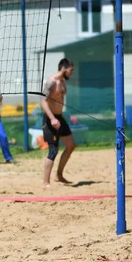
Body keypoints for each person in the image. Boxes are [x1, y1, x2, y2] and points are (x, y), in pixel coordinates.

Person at [41, 58, 75, 188]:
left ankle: (59, 175)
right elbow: (43, 101)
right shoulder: (51, 82)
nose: (71, 73)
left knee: (71, 145)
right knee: (53, 150)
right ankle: (45, 182)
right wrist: (52, 118)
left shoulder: (62, 82)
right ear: (63, 68)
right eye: (70, 70)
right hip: (51, 119)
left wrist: (59, 117)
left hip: (59, 118)